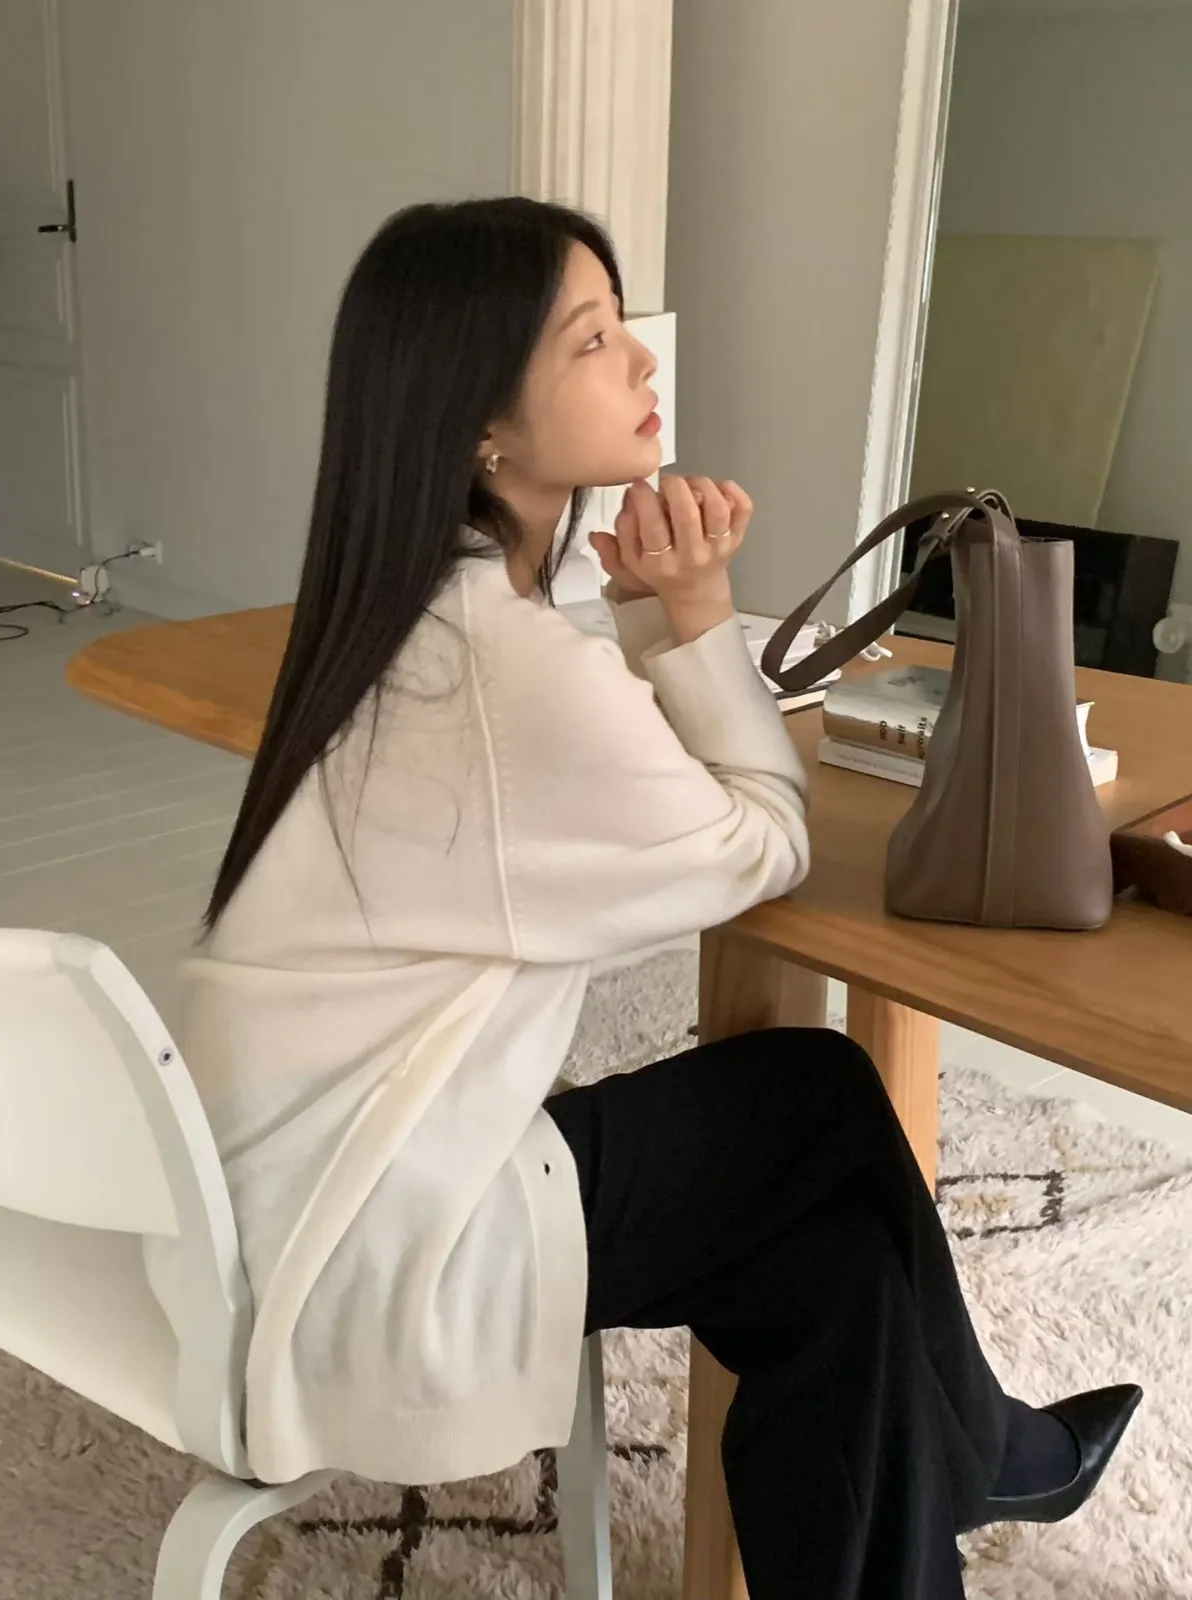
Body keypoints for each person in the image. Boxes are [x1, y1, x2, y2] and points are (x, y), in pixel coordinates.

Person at [175, 197, 1140, 1598]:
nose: (640, 360)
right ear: (481, 424)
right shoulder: (503, 665)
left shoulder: (409, 616)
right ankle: (986, 1446)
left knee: (830, 1268)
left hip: (276, 1190)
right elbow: (764, 843)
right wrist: (690, 610)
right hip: (376, 1247)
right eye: (590, 339)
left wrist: (642, 620)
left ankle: (976, 1453)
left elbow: (625, 780)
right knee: (813, 1103)